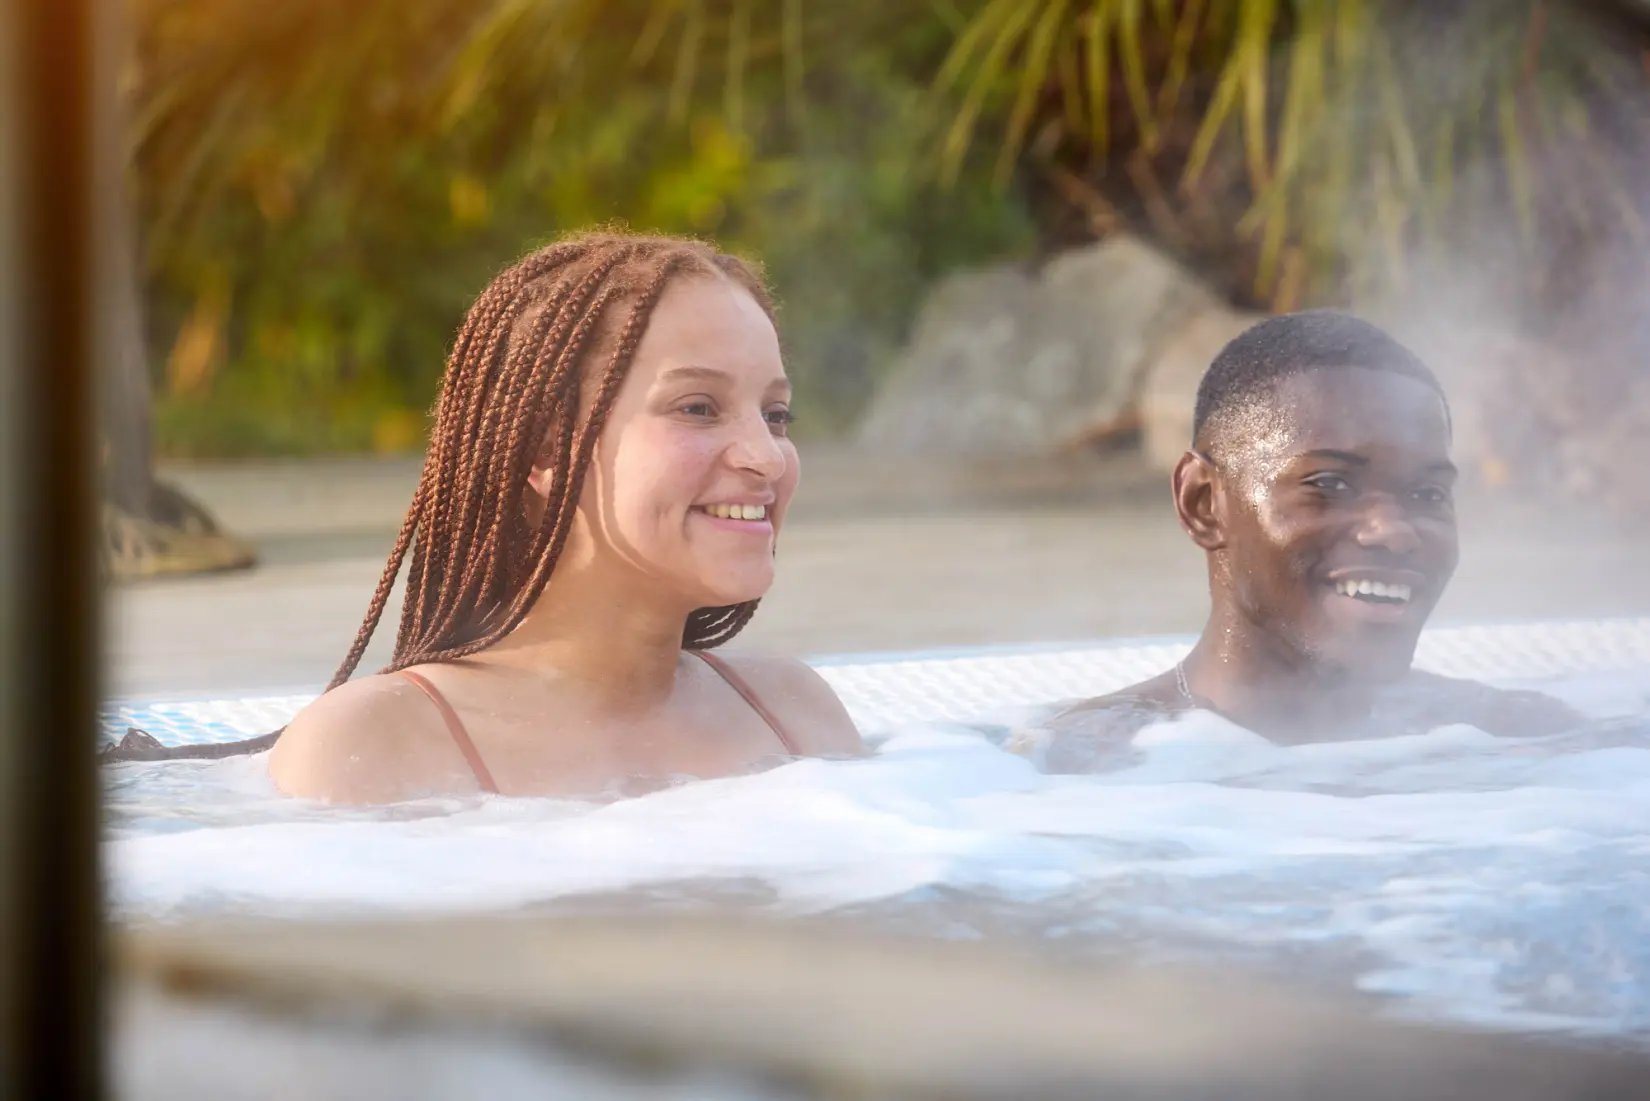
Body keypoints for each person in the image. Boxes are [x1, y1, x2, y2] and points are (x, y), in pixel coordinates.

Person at [104, 232, 861, 801]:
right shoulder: (375, 749)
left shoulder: (795, 718)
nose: (764, 456)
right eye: (698, 407)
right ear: (544, 448)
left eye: (777, 413)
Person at [1020, 311, 1580, 772]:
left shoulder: (1514, 735)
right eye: (1329, 484)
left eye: (1428, 493)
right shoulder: (1085, 766)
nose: (1393, 530)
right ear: (1202, 503)